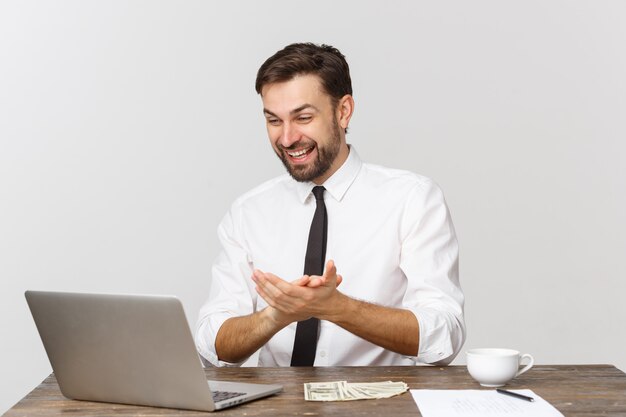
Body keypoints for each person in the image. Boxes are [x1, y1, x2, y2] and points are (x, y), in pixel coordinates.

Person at [195, 43, 465, 367]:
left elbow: (444, 338)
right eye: (274, 121)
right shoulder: (248, 212)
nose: (287, 138)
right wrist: (275, 316)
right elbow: (212, 345)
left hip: (380, 406)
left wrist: (337, 308)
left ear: (343, 111)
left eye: (303, 117)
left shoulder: (413, 199)